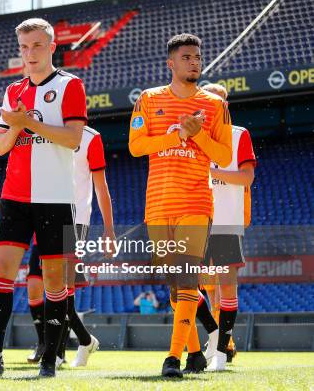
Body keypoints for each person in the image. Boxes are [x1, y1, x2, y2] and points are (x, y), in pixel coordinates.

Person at [0, 18, 86, 378]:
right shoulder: (13, 90)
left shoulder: (69, 85)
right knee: (1, 272)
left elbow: (73, 138)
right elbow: (0, 147)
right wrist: (16, 123)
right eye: (24, 47)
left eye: (37, 45)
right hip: (14, 196)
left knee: (55, 280)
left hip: (55, 197)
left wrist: (29, 122)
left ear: (52, 45)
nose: (30, 53)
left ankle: (50, 359)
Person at [128, 33, 232, 378]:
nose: (194, 62)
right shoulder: (148, 98)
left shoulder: (215, 105)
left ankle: (172, 358)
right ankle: (195, 353)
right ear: (170, 63)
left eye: (198, 57)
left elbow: (224, 155)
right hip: (157, 204)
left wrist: (197, 134)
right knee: (175, 286)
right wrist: (177, 136)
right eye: (186, 57)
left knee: (187, 279)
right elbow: (136, 146)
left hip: (195, 201)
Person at [27, 125, 115, 368]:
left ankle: (57, 352)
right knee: (52, 289)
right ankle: (81, 342)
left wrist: (109, 231)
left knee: (62, 289)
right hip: (43, 218)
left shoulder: (90, 138)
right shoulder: (42, 130)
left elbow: (101, 187)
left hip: (74, 223)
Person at [200, 83, 256, 371]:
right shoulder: (195, 137)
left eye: (219, 102)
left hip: (225, 224)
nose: (215, 107)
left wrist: (210, 172)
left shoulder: (238, 135)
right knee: (190, 290)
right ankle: (213, 338)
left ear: (226, 105)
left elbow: (246, 179)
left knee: (225, 289)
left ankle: (221, 351)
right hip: (197, 223)